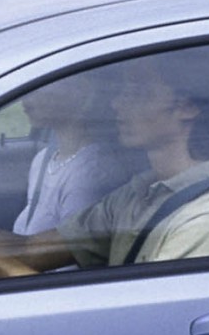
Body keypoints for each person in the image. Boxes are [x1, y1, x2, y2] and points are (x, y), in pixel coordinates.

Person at [0, 45, 209, 277]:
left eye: (137, 91)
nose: (117, 104)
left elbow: (135, 328)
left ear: (187, 107)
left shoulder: (208, 219)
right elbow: (31, 249)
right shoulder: (140, 193)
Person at [12, 68, 125, 236]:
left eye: (42, 86)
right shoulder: (43, 159)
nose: (26, 97)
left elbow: (71, 253)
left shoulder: (93, 173)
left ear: (80, 92)